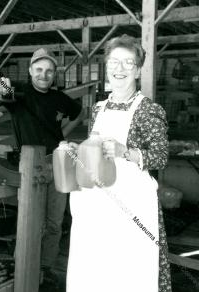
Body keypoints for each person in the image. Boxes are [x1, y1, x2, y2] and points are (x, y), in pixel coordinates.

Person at [66, 34, 172, 292]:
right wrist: (77, 151)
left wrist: (127, 152)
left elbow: (160, 156)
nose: (120, 69)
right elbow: (96, 153)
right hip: (98, 206)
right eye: (115, 62)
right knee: (96, 270)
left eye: (128, 63)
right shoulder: (98, 108)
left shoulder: (148, 109)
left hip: (132, 207)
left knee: (129, 271)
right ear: (107, 66)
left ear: (137, 69)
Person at [0, 48, 85, 286]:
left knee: (54, 222)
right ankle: (23, 267)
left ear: (54, 74)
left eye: (49, 71)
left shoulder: (58, 98)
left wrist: (62, 134)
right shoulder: (20, 93)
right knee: (30, 220)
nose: (44, 75)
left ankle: (45, 268)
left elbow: (79, 112)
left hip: (58, 161)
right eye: (39, 70)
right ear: (31, 71)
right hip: (31, 164)